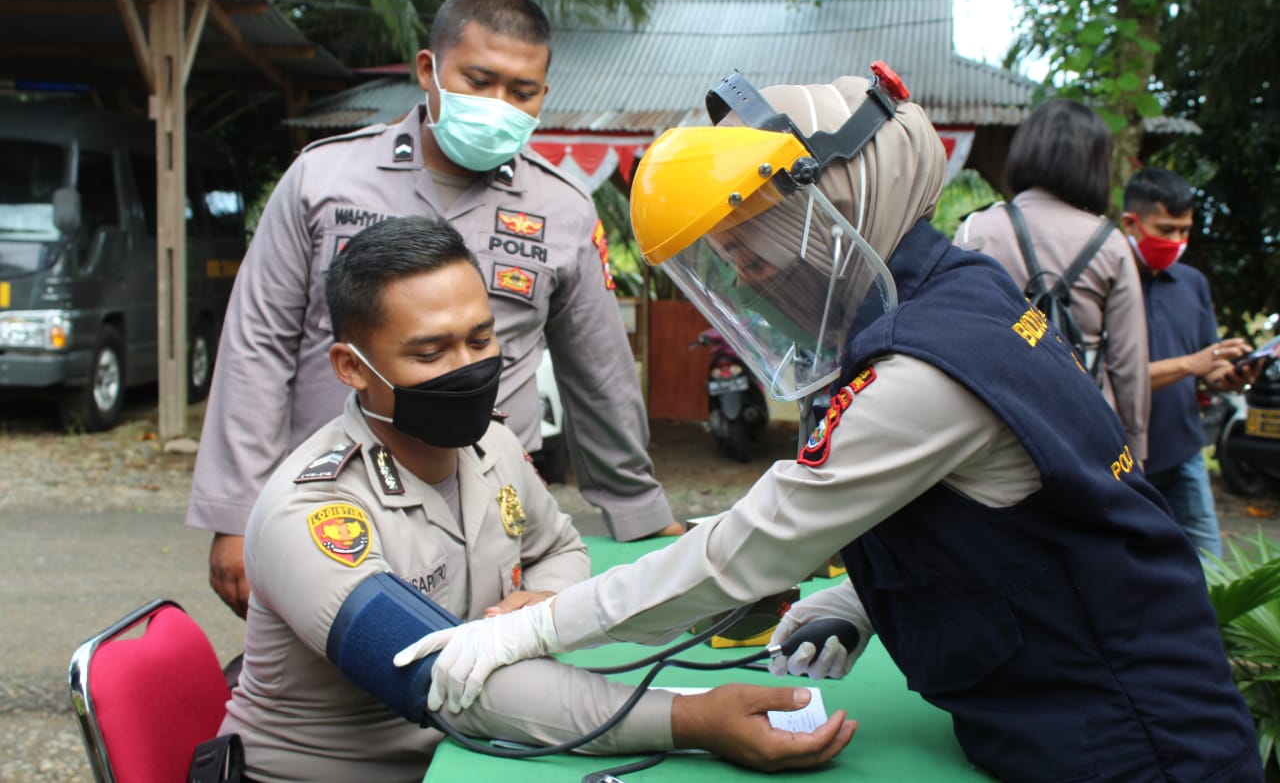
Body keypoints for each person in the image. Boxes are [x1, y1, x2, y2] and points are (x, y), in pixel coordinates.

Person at [399, 71, 1262, 782]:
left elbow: (746, 550)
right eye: (729, 257)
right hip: (1071, 719)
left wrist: (531, 628)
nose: (752, 273)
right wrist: (860, 598)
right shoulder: (959, 292)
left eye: (756, 240)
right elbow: (1002, 501)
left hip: (1141, 744)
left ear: (842, 197)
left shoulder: (925, 365)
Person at [218, 216, 854, 781]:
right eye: (431, 351)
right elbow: (446, 682)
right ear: (353, 367)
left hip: (475, 754)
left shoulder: (489, 445)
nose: (467, 367)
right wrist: (690, 720)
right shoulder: (313, 515)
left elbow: (557, 544)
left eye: (480, 338)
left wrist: (537, 609)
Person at [189, 0, 683, 619]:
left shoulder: (561, 206)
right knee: (332, 689)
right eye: (479, 80)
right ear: (430, 69)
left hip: (488, 506)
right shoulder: (324, 178)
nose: (499, 104)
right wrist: (235, 511)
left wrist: (639, 513)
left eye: (521, 91)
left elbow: (600, 372)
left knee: (486, 682)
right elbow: (258, 343)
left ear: (543, 97)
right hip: (333, 504)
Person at [955, 99, 1150, 462]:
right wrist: (1135, 448)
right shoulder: (1111, 244)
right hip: (1084, 431)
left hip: (993, 423)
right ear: (1096, 164)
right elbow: (1128, 362)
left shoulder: (976, 230)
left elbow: (951, 335)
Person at [1123, 167, 1255, 557]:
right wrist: (1192, 364)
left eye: (1184, 230)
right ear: (1131, 222)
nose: (1177, 241)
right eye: (1166, 229)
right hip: (1124, 459)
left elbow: (1207, 366)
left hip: (1184, 453)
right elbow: (1109, 377)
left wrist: (1229, 375)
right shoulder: (1108, 281)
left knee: (1210, 568)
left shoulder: (1192, 283)